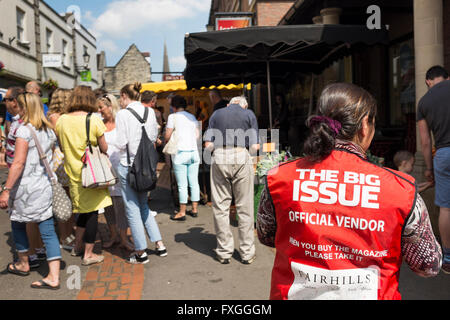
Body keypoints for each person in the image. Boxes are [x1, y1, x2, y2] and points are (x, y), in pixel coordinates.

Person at [257, 83, 442, 300]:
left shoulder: (279, 177)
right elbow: (428, 265)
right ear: (365, 125)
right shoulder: (401, 190)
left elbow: (266, 236)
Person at [0, 92, 61, 289]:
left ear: (26, 107)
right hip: (43, 186)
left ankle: (23, 263)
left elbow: (18, 162)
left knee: (18, 224)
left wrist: (6, 189)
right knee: (48, 231)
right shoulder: (49, 130)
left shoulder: (24, 131)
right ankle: (54, 276)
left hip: (25, 188)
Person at [55, 85, 112, 266]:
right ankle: (88, 253)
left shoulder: (62, 120)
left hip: (72, 171)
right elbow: (104, 147)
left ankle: (77, 245)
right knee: (93, 211)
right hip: (91, 172)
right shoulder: (93, 120)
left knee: (82, 211)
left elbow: (63, 147)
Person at [115, 82, 167, 264]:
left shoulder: (122, 114)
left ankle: (140, 252)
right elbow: (153, 138)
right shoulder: (150, 112)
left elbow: (121, 143)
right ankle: (160, 245)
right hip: (146, 166)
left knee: (132, 209)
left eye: (119, 98)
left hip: (127, 165)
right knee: (144, 205)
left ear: (123, 95)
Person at [205, 96, 259, 265]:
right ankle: (246, 253)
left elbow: (207, 145)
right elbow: (256, 147)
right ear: (245, 105)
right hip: (241, 155)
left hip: (219, 155)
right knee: (245, 206)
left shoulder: (216, 114)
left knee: (220, 206)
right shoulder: (248, 113)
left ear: (229, 104)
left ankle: (224, 252)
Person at [4, 86, 45, 268]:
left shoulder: (21, 126)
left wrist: (6, 188)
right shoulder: (34, 123)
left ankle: (29, 257)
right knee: (36, 220)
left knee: (22, 219)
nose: (4, 103)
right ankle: (38, 251)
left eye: (6, 99)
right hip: (35, 179)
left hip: (24, 181)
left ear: (15, 101)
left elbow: (16, 161)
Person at [417, 65, 450, 274]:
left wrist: (428, 168)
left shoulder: (424, 102)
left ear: (428, 81)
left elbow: (425, 142)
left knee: (446, 208)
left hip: (444, 155)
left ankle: (447, 257)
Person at [97, 93, 134, 252]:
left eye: (101, 107)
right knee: (108, 205)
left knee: (120, 205)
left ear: (110, 106)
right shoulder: (99, 124)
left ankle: (124, 238)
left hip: (119, 168)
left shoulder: (121, 122)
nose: (99, 111)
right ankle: (113, 235)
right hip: (104, 170)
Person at [47, 88, 76, 251]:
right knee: (65, 200)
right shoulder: (57, 118)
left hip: (59, 157)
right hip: (61, 157)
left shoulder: (53, 116)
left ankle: (67, 233)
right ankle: (65, 236)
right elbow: (61, 139)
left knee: (67, 199)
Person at [165, 95, 201, 221]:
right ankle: (195, 209)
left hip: (180, 153)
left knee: (182, 185)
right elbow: (197, 135)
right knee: (194, 182)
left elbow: (167, 135)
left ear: (174, 107)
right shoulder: (192, 117)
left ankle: (182, 212)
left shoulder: (172, 117)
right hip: (193, 152)